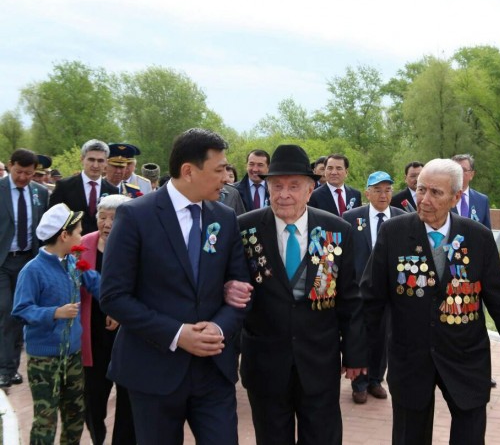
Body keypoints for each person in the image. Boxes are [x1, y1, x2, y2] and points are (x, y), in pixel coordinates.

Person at [361, 158, 500, 445]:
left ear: (456, 197)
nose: (424, 199)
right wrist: (356, 351)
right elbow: (371, 298)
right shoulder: (394, 232)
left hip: (465, 357)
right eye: (421, 190)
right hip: (410, 358)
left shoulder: (477, 238)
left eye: (436, 192)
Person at [100, 128, 252, 444]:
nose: (225, 177)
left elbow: (240, 289)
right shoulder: (136, 216)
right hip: (154, 370)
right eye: (219, 169)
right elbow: (114, 296)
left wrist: (219, 328)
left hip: (213, 370)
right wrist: (177, 334)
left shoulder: (224, 218)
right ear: (188, 171)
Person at [228, 144, 366, 445]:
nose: (284, 194)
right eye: (276, 186)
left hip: (319, 360)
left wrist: (355, 353)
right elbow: (231, 291)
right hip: (265, 362)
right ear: (267, 188)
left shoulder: (336, 230)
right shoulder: (244, 229)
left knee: (322, 437)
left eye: (293, 186)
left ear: (310, 189)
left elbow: (350, 298)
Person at [12, 203, 100, 444]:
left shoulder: (72, 263)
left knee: (75, 414)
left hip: (72, 355)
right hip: (45, 359)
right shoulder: (33, 270)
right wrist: (55, 313)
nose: (81, 236)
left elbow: (97, 284)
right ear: (64, 235)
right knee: (46, 419)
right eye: (78, 232)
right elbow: (21, 310)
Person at [343, 171, 404, 404]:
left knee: (383, 336)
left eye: (387, 190)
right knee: (360, 335)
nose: (383, 195)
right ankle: (359, 383)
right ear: (367, 193)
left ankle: (376, 380)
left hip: (388, 290)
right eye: (377, 190)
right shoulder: (351, 217)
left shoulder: (401, 218)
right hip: (359, 288)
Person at [80, 194, 136, 445]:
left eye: (113, 218)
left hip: (127, 334)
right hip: (92, 332)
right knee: (93, 397)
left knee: (127, 397)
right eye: (102, 217)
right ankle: (97, 437)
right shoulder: (83, 245)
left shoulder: (136, 245)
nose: (107, 224)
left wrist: (121, 311)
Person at [0, 149, 50, 388]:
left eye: (28, 174)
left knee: (21, 312)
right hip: (2, 261)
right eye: (19, 172)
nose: (22, 178)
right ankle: (5, 369)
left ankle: (11, 367)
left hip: (28, 261)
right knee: (5, 311)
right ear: (10, 166)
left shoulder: (40, 192)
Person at [49, 139, 119, 235]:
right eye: (91, 159)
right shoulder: (64, 186)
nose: (95, 165)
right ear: (82, 159)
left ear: (106, 162)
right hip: (71, 242)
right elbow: (52, 219)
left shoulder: (113, 191)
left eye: (100, 161)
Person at [450, 154, 491, 228]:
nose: (460, 173)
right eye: (456, 170)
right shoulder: (442, 198)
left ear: (471, 175)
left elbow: (486, 232)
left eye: (464, 170)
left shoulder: (482, 200)